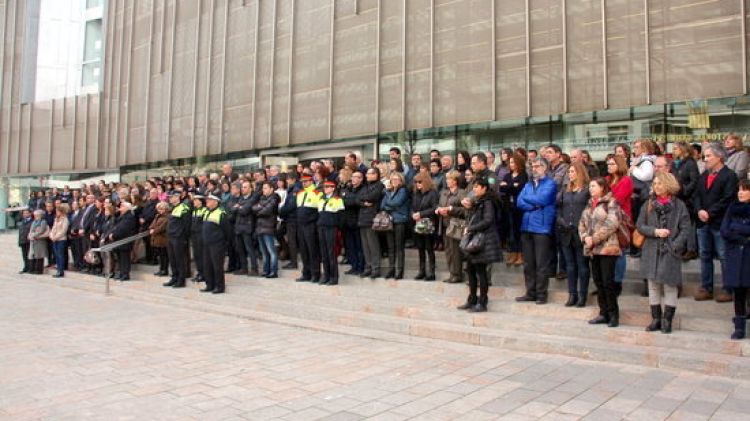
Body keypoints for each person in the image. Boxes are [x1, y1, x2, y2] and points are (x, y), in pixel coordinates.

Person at [636, 172, 691, 334]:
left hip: (670, 250)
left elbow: (686, 228)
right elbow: (640, 225)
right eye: (655, 183)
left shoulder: (679, 205)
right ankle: (656, 319)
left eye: (660, 183)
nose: (656, 186)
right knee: (653, 285)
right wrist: (655, 231)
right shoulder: (649, 204)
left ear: (668, 185)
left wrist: (675, 245)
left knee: (670, 285)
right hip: (651, 249)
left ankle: (668, 320)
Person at [694, 143, 738, 302]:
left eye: (708, 156)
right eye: (705, 156)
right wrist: (699, 210)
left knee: (724, 255)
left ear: (719, 157)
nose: (705, 159)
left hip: (720, 222)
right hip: (703, 222)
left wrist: (709, 213)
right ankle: (706, 287)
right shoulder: (704, 175)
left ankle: (728, 289)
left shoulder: (729, 175)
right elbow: (697, 195)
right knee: (704, 255)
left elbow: (727, 198)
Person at [579, 177, 623, 327]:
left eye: (593, 186)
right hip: (593, 249)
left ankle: (613, 315)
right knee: (598, 282)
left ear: (602, 187)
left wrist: (595, 238)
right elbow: (582, 224)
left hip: (607, 247)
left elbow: (612, 223)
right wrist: (585, 237)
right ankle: (603, 313)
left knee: (607, 282)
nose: (590, 189)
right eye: (589, 186)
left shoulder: (611, 202)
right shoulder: (589, 204)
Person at [456, 178, 503, 312]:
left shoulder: (488, 202)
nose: (474, 189)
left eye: (477, 187)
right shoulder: (479, 201)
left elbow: (488, 220)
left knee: (481, 272)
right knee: (470, 270)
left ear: (484, 188)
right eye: (474, 187)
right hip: (476, 240)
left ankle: (482, 302)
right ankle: (472, 299)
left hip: (483, 241)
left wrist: (471, 228)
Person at [515, 157, 557, 304]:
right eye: (532, 166)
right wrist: (533, 205)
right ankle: (530, 292)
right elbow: (519, 202)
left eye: (538, 166)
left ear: (545, 168)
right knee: (528, 263)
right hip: (526, 226)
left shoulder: (551, 184)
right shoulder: (528, 185)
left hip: (542, 227)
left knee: (541, 263)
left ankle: (541, 294)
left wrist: (531, 200)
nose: (534, 169)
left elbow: (543, 199)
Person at [556, 162, 591, 307]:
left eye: (572, 171)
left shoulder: (586, 190)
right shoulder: (565, 190)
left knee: (582, 265)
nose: (570, 174)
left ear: (580, 173)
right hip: (566, 232)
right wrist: (561, 221)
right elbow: (558, 209)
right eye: (568, 172)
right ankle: (572, 294)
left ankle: (582, 295)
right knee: (570, 265)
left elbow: (590, 211)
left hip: (580, 232)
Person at [721, 179, 750, 339]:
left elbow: (733, 228)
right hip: (735, 254)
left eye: (744, 189)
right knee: (738, 292)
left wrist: (737, 228)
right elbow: (725, 230)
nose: (740, 192)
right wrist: (743, 236)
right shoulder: (732, 208)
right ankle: (739, 327)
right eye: (739, 189)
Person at [605, 154, 635, 293]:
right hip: (605, 220)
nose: (609, 166)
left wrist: (606, 199)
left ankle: (617, 282)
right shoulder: (606, 180)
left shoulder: (626, 180)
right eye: (608, 164)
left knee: (619, 252)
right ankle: (608, 282)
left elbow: (617, 200)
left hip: (620, 220)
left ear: (619, 165)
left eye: (612, 164)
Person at [670, 141, 700, 259]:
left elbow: (694, 181)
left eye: (676, 148)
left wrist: (684, 192)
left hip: (688, 199)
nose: (673, 151)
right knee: (678, 223)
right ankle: (680, 247)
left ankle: (691, 249)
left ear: (683, 149)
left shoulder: (690, 163)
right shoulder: (674, 164)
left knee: (689, 224)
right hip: (676, 197)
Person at [436, 170, 466, 283]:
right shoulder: (444, 192)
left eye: (450, 179)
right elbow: (440, 205)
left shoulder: (461, 193)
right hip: (444, 224)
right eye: (447, 179)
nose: (447, 181)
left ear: (455, 181)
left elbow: (465, 210)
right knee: (448, 250)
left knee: (455, 251)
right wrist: (439, 210)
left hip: (455, 226)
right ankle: (452, 273)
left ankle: (457, 274)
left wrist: (450, 210)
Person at [500, 153, 528, 266]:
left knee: (518, 231)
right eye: (510, 162)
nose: (511, 164)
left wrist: (508, 186)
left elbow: (520, 188)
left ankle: (520, 254)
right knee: (510, 231)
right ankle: (513, 253)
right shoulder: (507, 175)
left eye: (513, 162)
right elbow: (501, 188)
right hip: (508, 207)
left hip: (519, 208)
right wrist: (513, 186)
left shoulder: (523, 175)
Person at [201, 194, 233, 294]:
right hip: (207, 243)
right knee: (207, 265)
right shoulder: (206, 212)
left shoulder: (221, 213)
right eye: (207, 200)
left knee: (217, 266)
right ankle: (209, 285)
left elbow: (227, 230)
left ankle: (219, 287)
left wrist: (225, 243)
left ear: (216, 202)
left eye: (209, 200)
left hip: (217, 244)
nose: (207, 202)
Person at [381, 172, 410, 280]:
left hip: (400, 220)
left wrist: (389, 204)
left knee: (399, 247)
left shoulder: (403, 190)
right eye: (392, 179)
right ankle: (391, 269)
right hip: (389, 221)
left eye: (397, 179)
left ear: (401, 180)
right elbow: (382, 205)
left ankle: (399, 270)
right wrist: (390, 203)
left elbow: (397, 202)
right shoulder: (388, 191)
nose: (394, 181)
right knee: (390, 247)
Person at [358, 168, 385, 279]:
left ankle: (375, 268)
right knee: (365, 245)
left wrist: (363, 200)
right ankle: (368, 267)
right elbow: (357, 198)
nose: (367, 175)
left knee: (373, 245)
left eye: (369, 174)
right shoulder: (365, 186)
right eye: (367, 173)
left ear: (376, 175)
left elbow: (372, 197)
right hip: (362, 218)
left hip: (372, 218)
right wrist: (364, 203)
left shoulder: (379, 186)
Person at [411, 172, 439, 281]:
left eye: (420, 182)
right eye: (416, 182)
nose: (418, 184)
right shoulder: (416, 193)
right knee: (420, 248)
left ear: (426, 182)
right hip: (417, 224)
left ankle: (431, 272)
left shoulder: (432, 193)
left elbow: (434, 208)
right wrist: (413, 214)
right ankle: (421, 271)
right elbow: (412, 206)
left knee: (429, 248)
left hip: (428, 223)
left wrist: (421, 214)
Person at [296, 174, 324, 282]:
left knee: (313, 250)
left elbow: (319, 211)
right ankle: (306, 273)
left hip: (311, 225)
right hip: (301, 225)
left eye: (306, 181)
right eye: (303, 181)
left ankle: (315, 274)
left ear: (311, 182)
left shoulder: (317, 193)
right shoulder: (300, 193)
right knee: (303, 251)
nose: (304, 183)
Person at [316, 180, 345, 285]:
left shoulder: (337, 200)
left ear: (333, 188)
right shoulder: (321, 199)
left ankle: (334, 277)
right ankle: (326, 275)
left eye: (328, 187)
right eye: (325, 187)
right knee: (323, 253)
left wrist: (337, 227)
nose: (326, 189)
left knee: (331, 253)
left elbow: (341, 216)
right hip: (321, 226)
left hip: (331, 228)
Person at [254, 182, 281, 279]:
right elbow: (254, 208)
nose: (263, 190)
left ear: (271, 189)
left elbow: (267, 210)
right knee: (264, 252)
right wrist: (261, 208)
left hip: (268, 228)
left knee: (271, 251)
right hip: (260, 227)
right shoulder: (262, 198)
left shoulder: (274, 198)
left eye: (265, 188)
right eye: (263, 188)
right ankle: (266, 270)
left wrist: (260, 209)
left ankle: (273, 271)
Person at [165, 192, 192, 288]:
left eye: (171, 197)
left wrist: (184, 238)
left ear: (177, 197)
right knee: (172, 259)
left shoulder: (184, 208)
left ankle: (181, 280)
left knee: (180, 259)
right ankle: (174, 277)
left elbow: (187, 225)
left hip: (179, 238)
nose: (170, 199)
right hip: (171, 237)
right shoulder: (173, 208)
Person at [235, 180, 260, 276]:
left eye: (245, 187)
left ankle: (254, 269)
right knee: (240, 249)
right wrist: (239, 207)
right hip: (238, 226)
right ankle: (244, 268)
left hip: (247, 227)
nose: (243, 189)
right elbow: (232, 209)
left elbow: (245, 210)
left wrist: (239, 207)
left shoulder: (253, 198)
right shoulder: (241, 198)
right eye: (242, 187)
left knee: (250, 249)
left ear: (250, 188)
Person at [341, 171, 365, 275]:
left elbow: (357, 201)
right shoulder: (347, 188)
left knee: (359, 246)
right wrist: (350, 199)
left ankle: (360, 267)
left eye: (357, 177)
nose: (354, 179)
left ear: (361, 179)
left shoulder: (363, 189)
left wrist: (348, 199)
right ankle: (353, 266)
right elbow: (341, 201)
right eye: (353, 177)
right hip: (346, 222)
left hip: (357, 221)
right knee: (350, 246)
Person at [109, 201, 138, 281]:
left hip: (125, 241)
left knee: (125, 258)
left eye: (122, 206)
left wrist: (114, 235)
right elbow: (115, 226)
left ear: (127, 208)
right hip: (119, 241)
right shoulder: (121, 215)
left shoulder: (129, 216)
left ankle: (125, 274)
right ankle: (121, 273)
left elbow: (123, 228)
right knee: (120, 258)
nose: (120, 207)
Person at [189, 195, 208, 282]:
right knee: (196, 255)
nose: (194, 202)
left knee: (202, 255)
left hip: (201, 235)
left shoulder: (204, 210)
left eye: (196, 200)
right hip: (194, 235)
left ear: (200, 201)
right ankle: (199, 272)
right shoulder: (194, 211)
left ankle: (204, 274)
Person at [49, 204, 70, 278]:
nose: (56, 213)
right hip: (55, 239)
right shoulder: (56, 219)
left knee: (60, 255)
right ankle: (58, 270)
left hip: (61, 240)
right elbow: (53, 229)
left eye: (57, 211)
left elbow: (63, 231)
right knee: (56, 255)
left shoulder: (65, 219)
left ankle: (61, 271)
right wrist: (51, 235)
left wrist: (56, 237)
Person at [149, 202, 170, 277]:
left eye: (162, 209)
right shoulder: (157, 216)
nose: (160, 210)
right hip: (156, 239)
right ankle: (161, 269)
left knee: (164, 255)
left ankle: (164, 270)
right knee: (160, 256)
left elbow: (162, 227)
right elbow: (152, 225)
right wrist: (151, 228)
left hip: (163, 239)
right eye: (159, 209)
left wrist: (154, 231)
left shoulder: (167, 217)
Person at [28, 209, 50, 274]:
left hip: (40, 241)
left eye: (37, 215)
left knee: (40, 255)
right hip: (34, 241)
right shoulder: (34, 222)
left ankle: (39, 270)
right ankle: (33, 269)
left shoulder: (43, 222)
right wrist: (31, 235)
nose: (35, 216)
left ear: (41, 215)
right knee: (33, 255)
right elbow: (31, 230)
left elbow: (41, 230)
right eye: (35, 215)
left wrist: (34, 234)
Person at [17, 209, 33, 274]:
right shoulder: (22, 221)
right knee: (24, 255)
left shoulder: (32, 222)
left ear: (30, 214)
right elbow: (20, 232)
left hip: (29, 241)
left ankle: (30, 268)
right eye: (24, 213)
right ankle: (25, 267)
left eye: (27, 213)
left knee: (29, 255)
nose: (25, 214)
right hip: (22, 241)